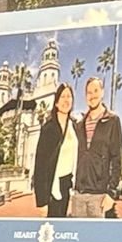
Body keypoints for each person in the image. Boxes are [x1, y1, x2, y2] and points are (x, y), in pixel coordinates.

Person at [72, 76, 122, 219]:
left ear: (102, 92)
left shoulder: (112, 120)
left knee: (97, 239)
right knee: (79, 238)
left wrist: (111, 192)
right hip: (78, 194)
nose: (92, 95)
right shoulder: (79, 124)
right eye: (88, 92)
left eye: (95, 91)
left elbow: (116, 158)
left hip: (100, 196)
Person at [32, 82, 77, 218]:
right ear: (56, 102)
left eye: (69, 96)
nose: (66, 100)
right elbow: (40, 165)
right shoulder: (49, 128)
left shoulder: (74, 126)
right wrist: (41, 201)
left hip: (66, 184)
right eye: (62, 96)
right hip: (51, 187)